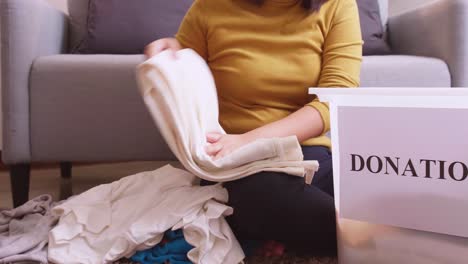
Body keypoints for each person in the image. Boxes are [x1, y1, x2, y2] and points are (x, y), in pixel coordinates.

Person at [145, 0, 362, 256]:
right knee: (265, 197)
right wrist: (171, 52)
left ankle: (285, 231)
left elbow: (335, 99)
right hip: (238, 164)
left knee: (378, 191)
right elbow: (186, 71)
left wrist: (250, 139)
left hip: (307, 155)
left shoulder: (338, 5)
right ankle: (379, 242)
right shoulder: (210, 7)